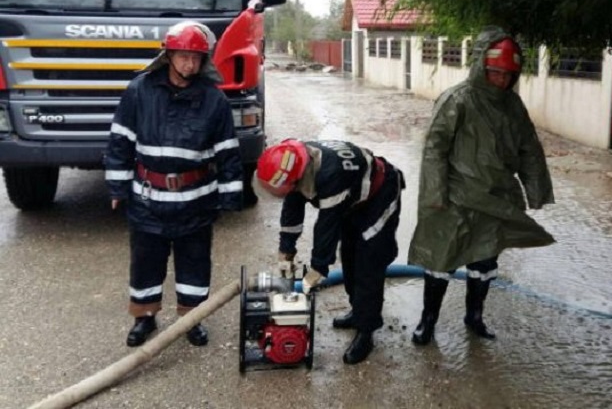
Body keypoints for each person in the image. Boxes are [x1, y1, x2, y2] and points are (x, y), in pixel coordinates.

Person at [408, 26, 555, 345]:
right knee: (441, 260)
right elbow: (434, 148)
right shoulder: (457, 100)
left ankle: (474, 317)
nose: (501, 80)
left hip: (495, 198)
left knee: (485, 261)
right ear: (481, 67)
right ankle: (427, 321)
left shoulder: (513, 106)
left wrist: (536, 190)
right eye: (495, 73)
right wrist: (435, 194)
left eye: (508, 75)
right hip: (455, 199)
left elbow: (529, 147)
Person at [104, 21, 243, 348]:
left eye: (196, 58)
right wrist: (117, 188)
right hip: (147, 200)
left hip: (196, 202)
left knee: (195, 262)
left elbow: (228, 151)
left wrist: (230, 197)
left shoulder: (214, 99)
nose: (189, 64)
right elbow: (120, 140)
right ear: (168, 55)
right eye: (183, 56)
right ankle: (144, 317)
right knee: (145, 262)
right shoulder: (140, 90)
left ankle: (191, 319)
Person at [255, 139, 404, 364]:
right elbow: (293, 207)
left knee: (368, 262)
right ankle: (357, 311)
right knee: (350, 255)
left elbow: (326, 227)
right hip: (353, 198)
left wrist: (318, 268)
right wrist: (286, 250)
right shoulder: (296, 163)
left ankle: (366, 331)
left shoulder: (330, 174)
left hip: (380, 194)